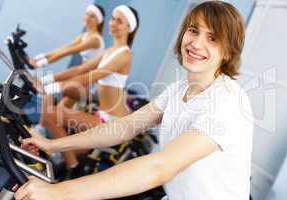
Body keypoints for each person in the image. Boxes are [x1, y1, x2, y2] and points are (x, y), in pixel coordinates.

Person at [16, 1, 253, 199]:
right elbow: (125, 127)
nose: (196, 43)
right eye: (193, 30)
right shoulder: (179, 89)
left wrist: (58, 193)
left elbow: (159, 167)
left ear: (229, 51)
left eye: (212, 38)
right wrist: (51, 144)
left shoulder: (227, 102)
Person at [31, 5, 139, 178]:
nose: (113, 23)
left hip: (113, 124)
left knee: (52, 114)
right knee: (61, 145)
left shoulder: (125, 54)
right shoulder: (110, 51)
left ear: (129, 28)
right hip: (102, 116)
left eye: (120, 21)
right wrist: (46, 80)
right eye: (112, 18)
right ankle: (63, 160)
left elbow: (94, 75)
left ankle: (72, 168)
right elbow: (81, 69)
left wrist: (53, 87)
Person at [29, 3, 105, 73]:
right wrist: (37, 58)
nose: (87, 18)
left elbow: (67, 52)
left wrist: (39, 64)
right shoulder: (84, 35)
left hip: (89, 77)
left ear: (98, 21)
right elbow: (64, 48)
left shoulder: (94, 40)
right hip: (83, 72)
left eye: (92, 16)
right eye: (87, 14)